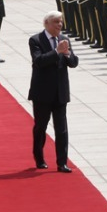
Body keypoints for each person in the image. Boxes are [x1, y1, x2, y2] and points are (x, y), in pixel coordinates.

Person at [28, 10, 79, 172]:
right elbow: (39, 61)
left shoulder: (64, 39)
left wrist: (67, 53)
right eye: (56, 22)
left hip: (60, 91)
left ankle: (62, 162)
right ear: (47, 24)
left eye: (61, 22)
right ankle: (39, 157)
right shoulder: (36, 40)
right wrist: (57, 52)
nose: (59, 25)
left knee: (62, 129)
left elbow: (74, 63)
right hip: (42, 92)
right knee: (40, 127)